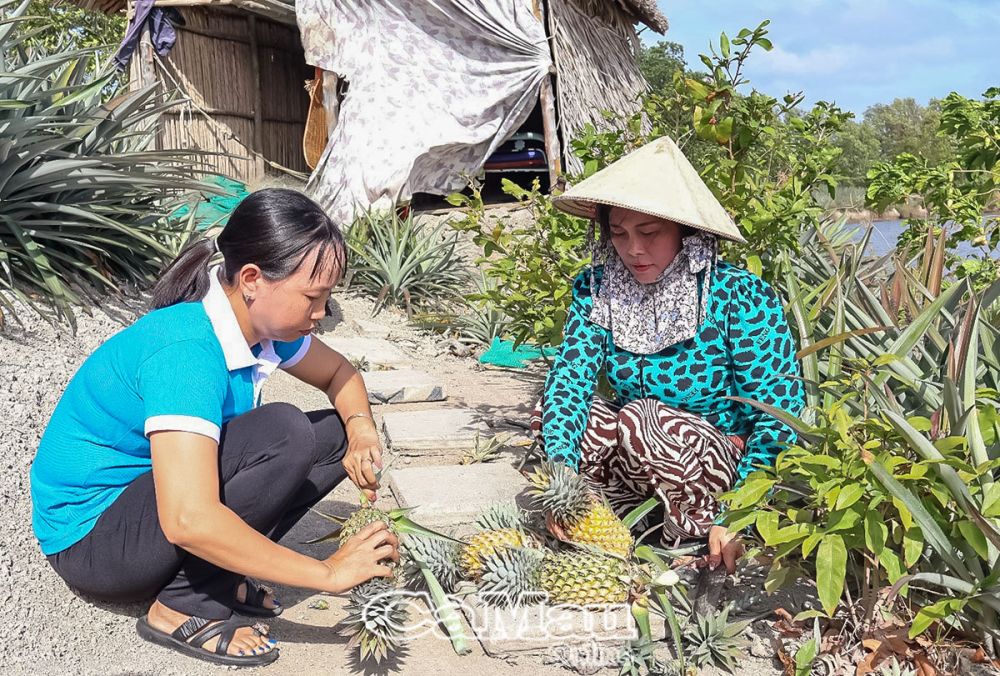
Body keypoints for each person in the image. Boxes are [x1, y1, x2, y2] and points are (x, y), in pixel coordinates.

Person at [30, 188, 397, 667]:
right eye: (313, 296)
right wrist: (328, 573)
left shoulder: (262, 328)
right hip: (95, 542)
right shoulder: (186, 352)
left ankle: (216, 575)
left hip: (150, 512)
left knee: (333, 435)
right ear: (252, 279)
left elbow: (340, 375)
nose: (321, 313)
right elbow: (188, 519)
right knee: (283, 432)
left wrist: (363, 429)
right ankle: (184, 604)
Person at [531, 137, 805, 573]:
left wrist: (739, 510)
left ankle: (700, 531)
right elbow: (571, 379)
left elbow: (779, 411)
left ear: (685, 231)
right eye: (618, 233)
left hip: (717, 465)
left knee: (643, 419)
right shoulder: (598, 287)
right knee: (560, 412)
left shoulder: (739, 295)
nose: (633, 250)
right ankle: (613, 518)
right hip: (641, 451)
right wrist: (559, 478)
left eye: (650, 233)